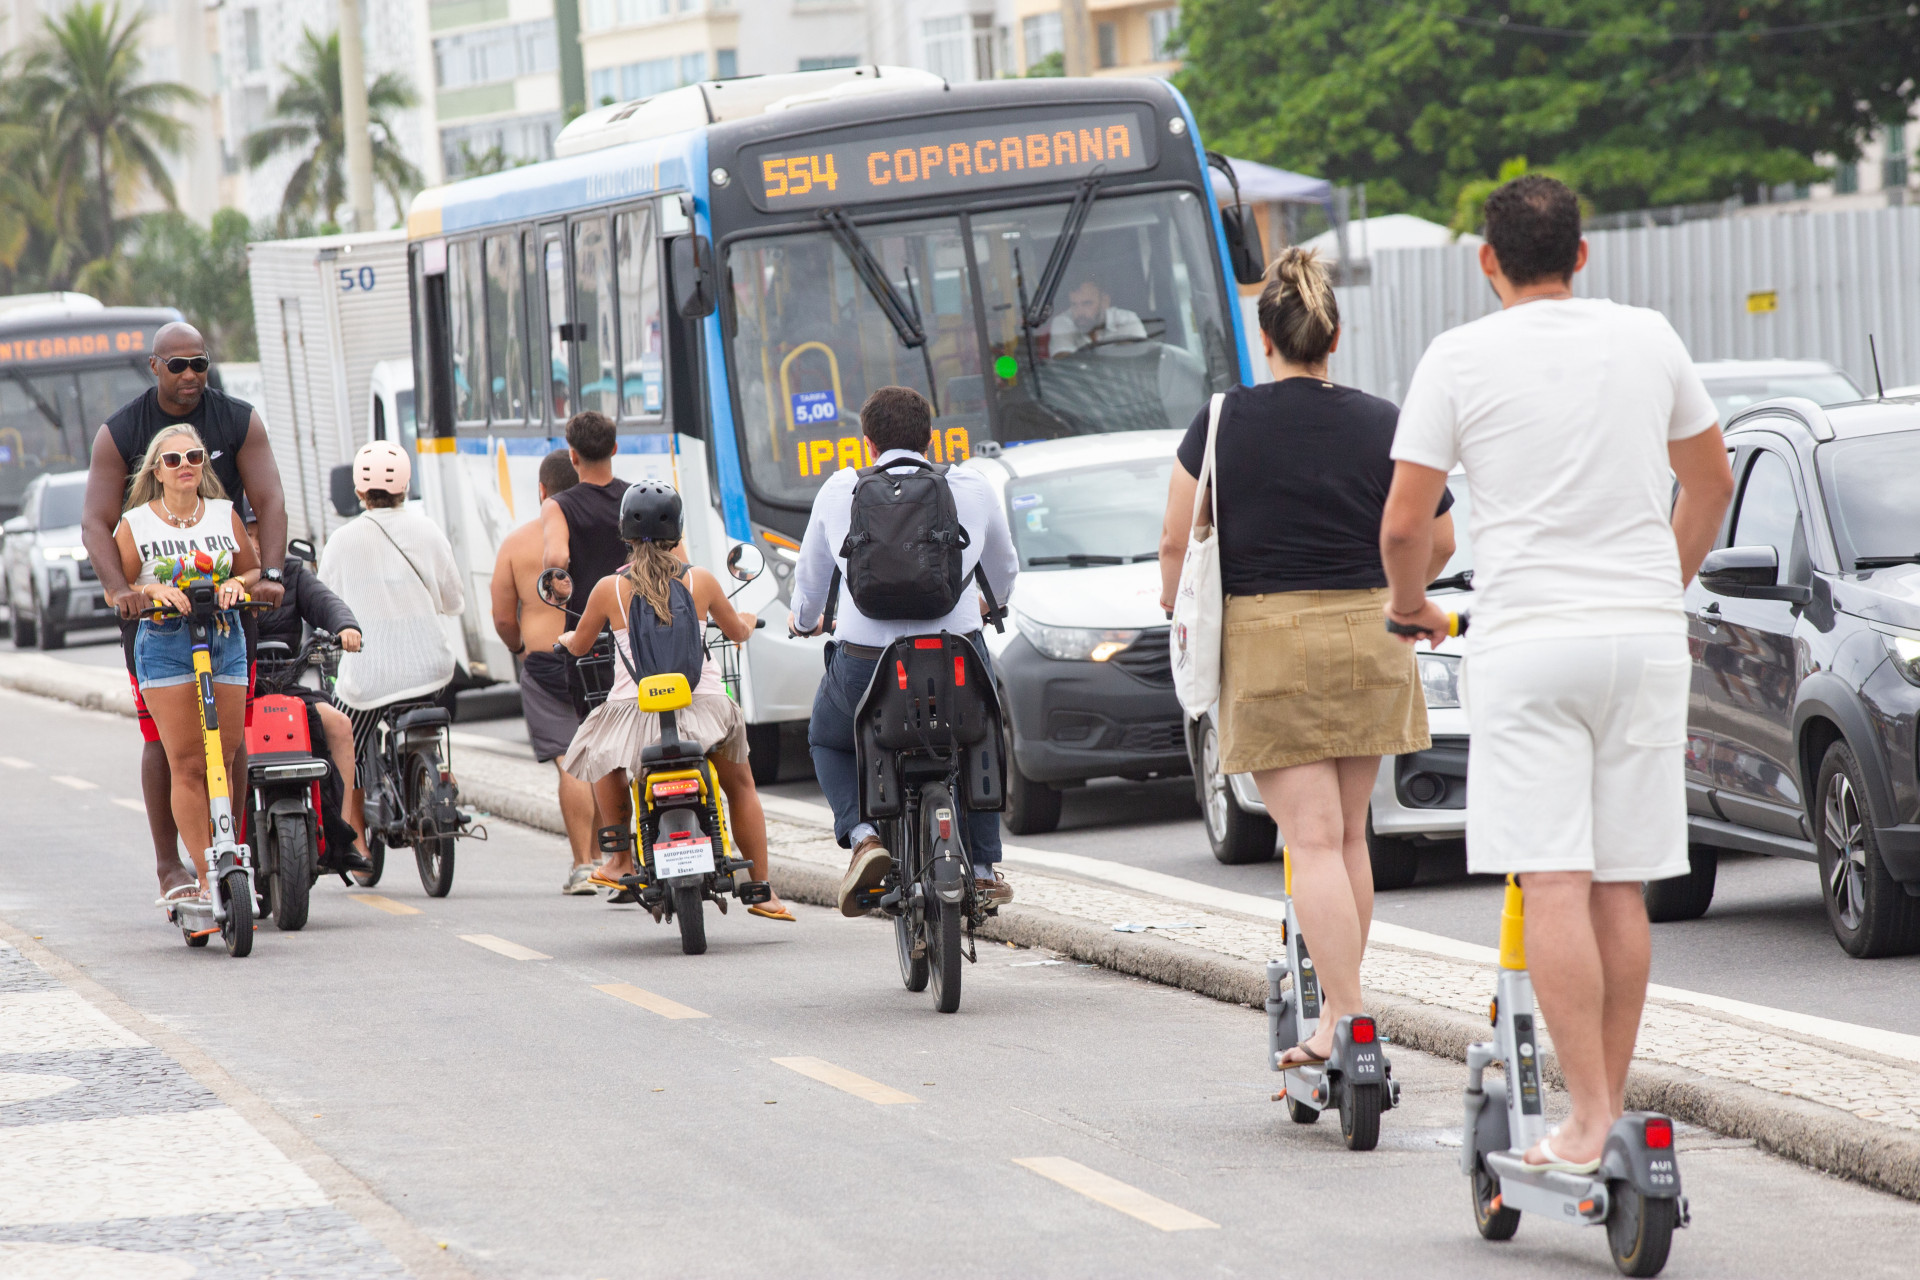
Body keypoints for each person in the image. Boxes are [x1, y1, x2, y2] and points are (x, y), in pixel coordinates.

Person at [1380, 175, 1733, 1173]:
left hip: (1530, 641)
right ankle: (1604, 1106)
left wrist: (1409, 602)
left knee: (1556, 879)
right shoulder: (1648, 336)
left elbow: (1406, 524)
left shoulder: (1459, 356)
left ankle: (1584, 1116)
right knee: (1623, 884)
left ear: (1486, 261)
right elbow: (1711, 481)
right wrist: (1659, 580)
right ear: (1584, 255)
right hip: (1642, 636)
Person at [1157, 247, 1456, 1070]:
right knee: (1349, 836)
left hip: (1268, 638)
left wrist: (1175, 600)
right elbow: (1438, 537)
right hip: (1372, 629)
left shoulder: (1222, 421)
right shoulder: (1382, 421)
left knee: (1311, 842)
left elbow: (1178, 540)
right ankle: (1346, 1010)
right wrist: (1394, 592)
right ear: (1334, 334)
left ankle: (1346, 1020)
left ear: (1266, 337)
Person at [787, 386, 1020, 916]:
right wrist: (988, 605)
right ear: (930, 438)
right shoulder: (970, 485)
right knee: (983, 733)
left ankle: (865, 836)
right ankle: (983, 869)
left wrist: (804, 622)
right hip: (954, 660)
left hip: (867, 668)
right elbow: (1004, 573)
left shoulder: (840, 489)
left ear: (866, 443)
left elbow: (810, 582)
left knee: (826, 739)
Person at [79, 321, 288, 899]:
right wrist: (122, 590)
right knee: (165, 744)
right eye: (179, 366)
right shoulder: (120, 432)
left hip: (226, 607)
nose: (192, 375)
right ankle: (171, 864)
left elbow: (268, 500)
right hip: (153, 614)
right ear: (155, 366)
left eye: (201, 364)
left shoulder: (239, 420)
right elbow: (96, 523)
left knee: (233, 742)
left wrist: (267, 576)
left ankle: (231, 855)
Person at [556, 480, 792, 921]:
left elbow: (582, 645)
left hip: (635, 716)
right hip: (703, 710)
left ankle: (620, 859)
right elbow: (738, 633)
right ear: (677, 531)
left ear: (625, 533)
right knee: (739, 785)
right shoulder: (700, 580)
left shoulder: (610, 590)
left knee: (602, 754)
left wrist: (567, 638)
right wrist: (747, 619)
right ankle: (761, 889)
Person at [111, 427, 259, 902]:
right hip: (165, 641)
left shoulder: (222, 513)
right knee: (189, 763)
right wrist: (154, 590)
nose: (184, 465)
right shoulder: (135, 522)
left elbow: (251, 567)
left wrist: (239, 584)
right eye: (172, 460)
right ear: (157, 470)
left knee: (227, 755)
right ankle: (207, 874)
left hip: (224, 635)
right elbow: (123, 584)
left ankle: (228, 853)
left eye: (193, 456)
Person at [318, 441, 467, 843]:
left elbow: (326, 606)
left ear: (359, 490)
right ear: (406, 485)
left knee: (346, 740)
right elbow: (453, 601)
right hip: (432, 670)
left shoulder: (342, 540)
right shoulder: (427, 529)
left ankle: (358, 843)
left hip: (371, 676)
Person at [491, 448, 602, 895]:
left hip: (546, 663)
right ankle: (613, 857)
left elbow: (502, 618)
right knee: (606, 758)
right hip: (600, 655)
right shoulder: (601, 530)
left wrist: (520, 646)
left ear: (542, 491)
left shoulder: (518, 543)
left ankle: (583, 865)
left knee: (570, 761)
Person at [252, 530, 374, 875]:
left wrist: (346, 626)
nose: (257, 542)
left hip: (286, 686)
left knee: (339, 723)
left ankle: (343, 838)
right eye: (247, 533)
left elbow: (326, 602)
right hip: (236, 690)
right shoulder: (220, 575)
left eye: (263, 532)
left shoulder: (292, 573)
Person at [541, 411, 629, 625]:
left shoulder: (558, 506)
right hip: (633, 622)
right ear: (614, 449)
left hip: (587, 626)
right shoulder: (635, 496)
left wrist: (553, 586)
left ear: (573, 456)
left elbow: (557, 559)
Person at [1048, 275, 1145, 356]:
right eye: (1074, 304)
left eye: (1087, 303)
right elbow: (1063, 363)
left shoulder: (1127, 320)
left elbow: (1139, 358)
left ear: (1105, 302)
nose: (1080, 312)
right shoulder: (1063, 322)